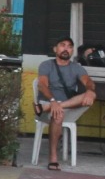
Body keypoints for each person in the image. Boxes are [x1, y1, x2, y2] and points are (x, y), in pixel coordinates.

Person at [36, 35, 98, 171]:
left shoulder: (76, 67)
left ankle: (52, 107)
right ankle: (53, 157)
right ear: (55, 49)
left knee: (91, 94)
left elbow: (89, 82)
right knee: (58, 115)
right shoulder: (46, 65)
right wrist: (52, 101)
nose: (66, 49)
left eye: (70, 47)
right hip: (48, 102)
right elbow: (42, 85)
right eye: (63, 45)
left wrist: (89, 91)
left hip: (64, 106)